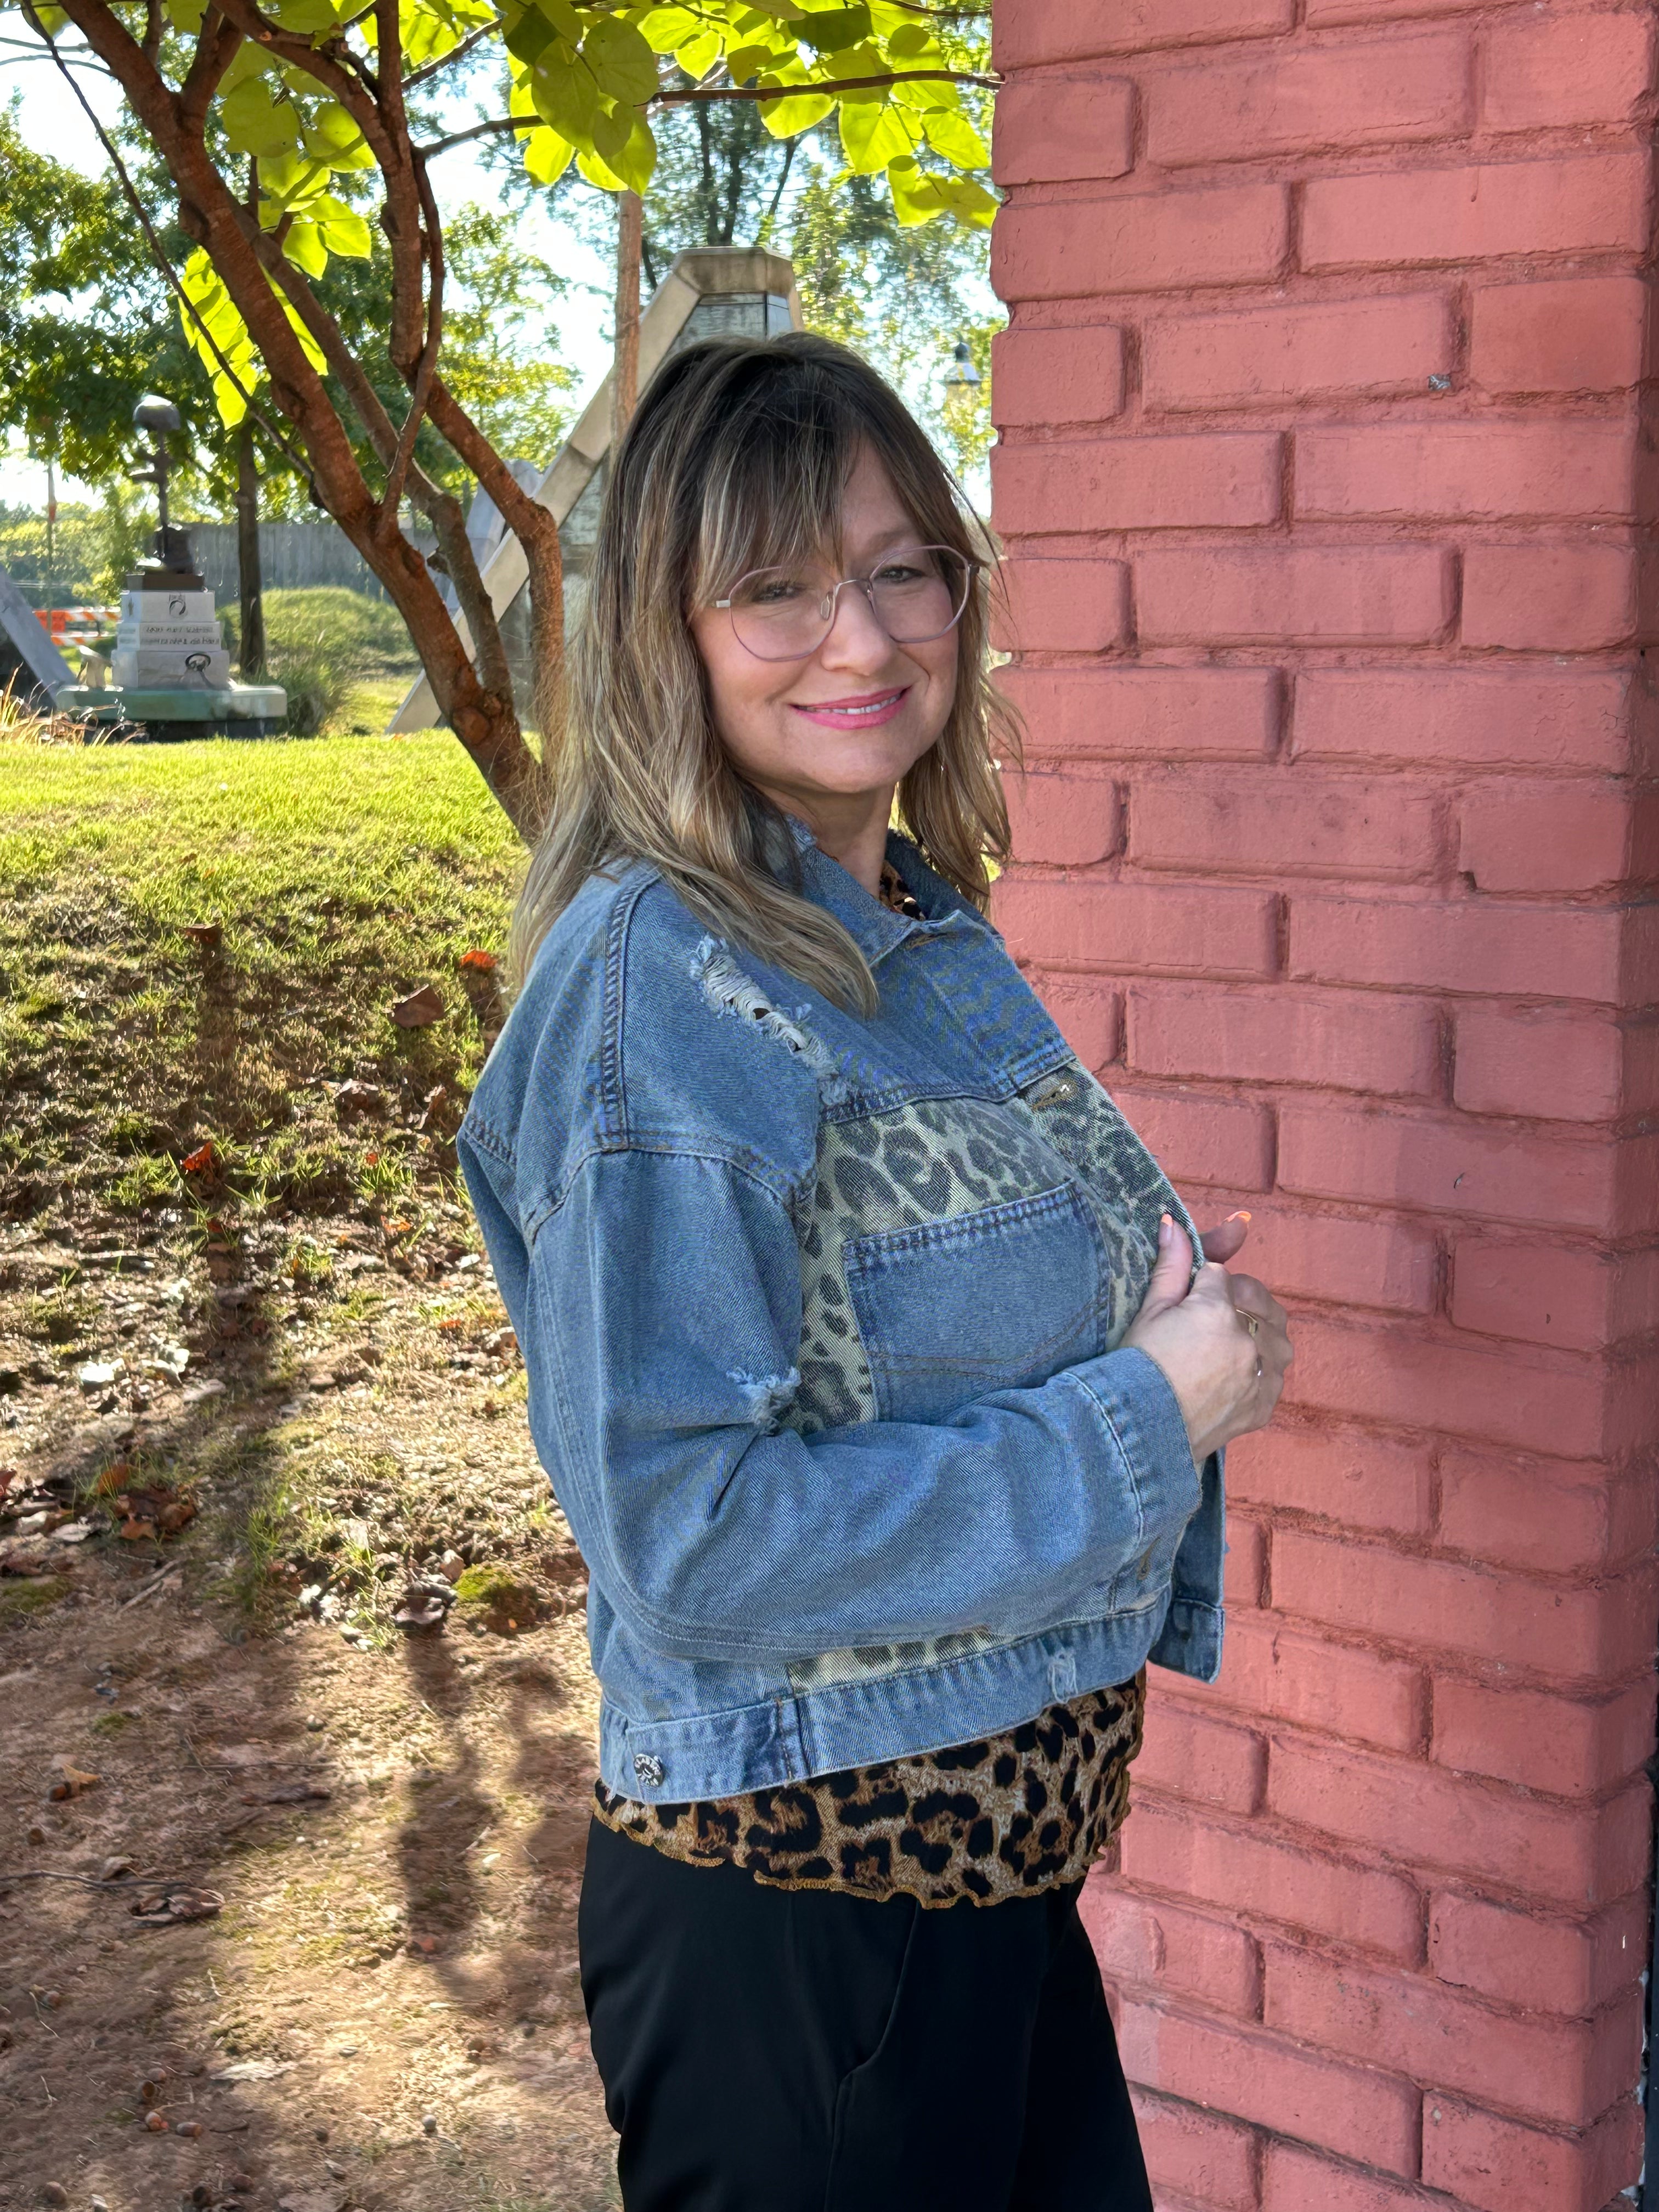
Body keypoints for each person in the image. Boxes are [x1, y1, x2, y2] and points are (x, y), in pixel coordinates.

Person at [459, 332, 1292, 2212]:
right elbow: (691, 1538)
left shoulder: (912, 924)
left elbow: (911, 1324)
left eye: (902, 564)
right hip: (804, 1924)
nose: (862, 636)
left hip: (990, 1889)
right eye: (775, 586)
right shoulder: (659, 987)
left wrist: (1151, 1305)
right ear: (670, 628)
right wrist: (1152, 1408)